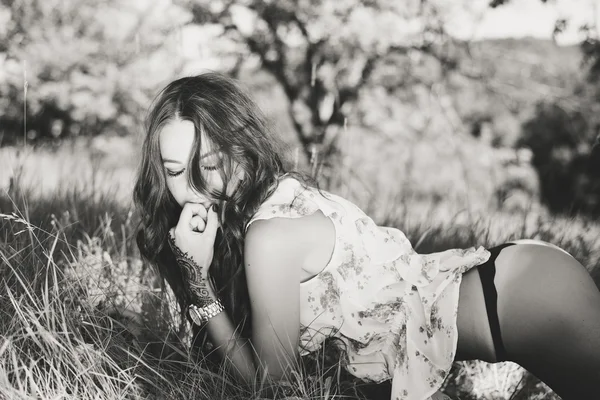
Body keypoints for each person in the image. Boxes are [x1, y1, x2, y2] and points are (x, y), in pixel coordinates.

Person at [133, 72, 600, 400]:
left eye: (210, 163)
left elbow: (269, 389)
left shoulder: (268, 236)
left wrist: (197, 279)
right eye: (175, 170)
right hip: (517, 281)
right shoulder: (281, 195)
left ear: (240, 144)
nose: (195, 185)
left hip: (518, 299)